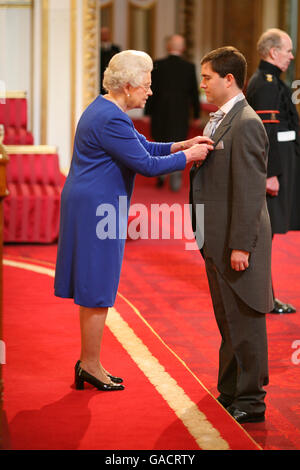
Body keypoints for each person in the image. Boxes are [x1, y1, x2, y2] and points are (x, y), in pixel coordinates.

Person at [54, 50, 213, 392]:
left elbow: (144, 147)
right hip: (98, 208)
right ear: (127, 86)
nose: (150, 91)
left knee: (93, 284)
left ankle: (89, 362)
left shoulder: (107, 110)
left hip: (92, 202)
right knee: (97, 287)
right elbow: (146, 166)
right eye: (146, 84)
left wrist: (181, 144)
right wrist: (190, 156)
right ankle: (91, 365)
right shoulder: (111, 118)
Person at [190, 46, 273, 423]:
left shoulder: (247, 122)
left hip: (236, 242)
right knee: (228, 322)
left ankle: (251, 402)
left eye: (207, 77)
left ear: (229, 79)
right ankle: (230, 391)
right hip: (216, 238)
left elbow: (251, 192)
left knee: (246, 321)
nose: (202, 84)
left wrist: (242, 245)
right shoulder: (224, 118)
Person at [246, 28, 300, 314]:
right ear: (272, 52)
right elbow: (266, 132)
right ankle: (263, 298)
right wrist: (270, 173)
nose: (291, 56)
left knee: (267, 236)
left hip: (282, 164)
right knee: (263, 236)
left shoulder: (273, 81)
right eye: (287, 50)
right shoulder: (266, 83)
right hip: (274, 169)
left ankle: (265, 296)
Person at [145, 34, 200, 191]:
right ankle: (175, 179)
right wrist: (195, 114)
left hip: (159, 110)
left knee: (160, 142)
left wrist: (147, 112)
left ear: (168, 47)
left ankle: (160, 173)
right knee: (179, 143)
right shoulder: (189, 67)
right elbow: (194, 94)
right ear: (182, 48)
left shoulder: (158, 64)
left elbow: (151, 89)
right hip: (180, 112)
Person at [99, 26, 120, 94]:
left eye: (106, 34)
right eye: (102, 34)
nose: (104, 36)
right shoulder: (96, 49)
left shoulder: (115, 49)